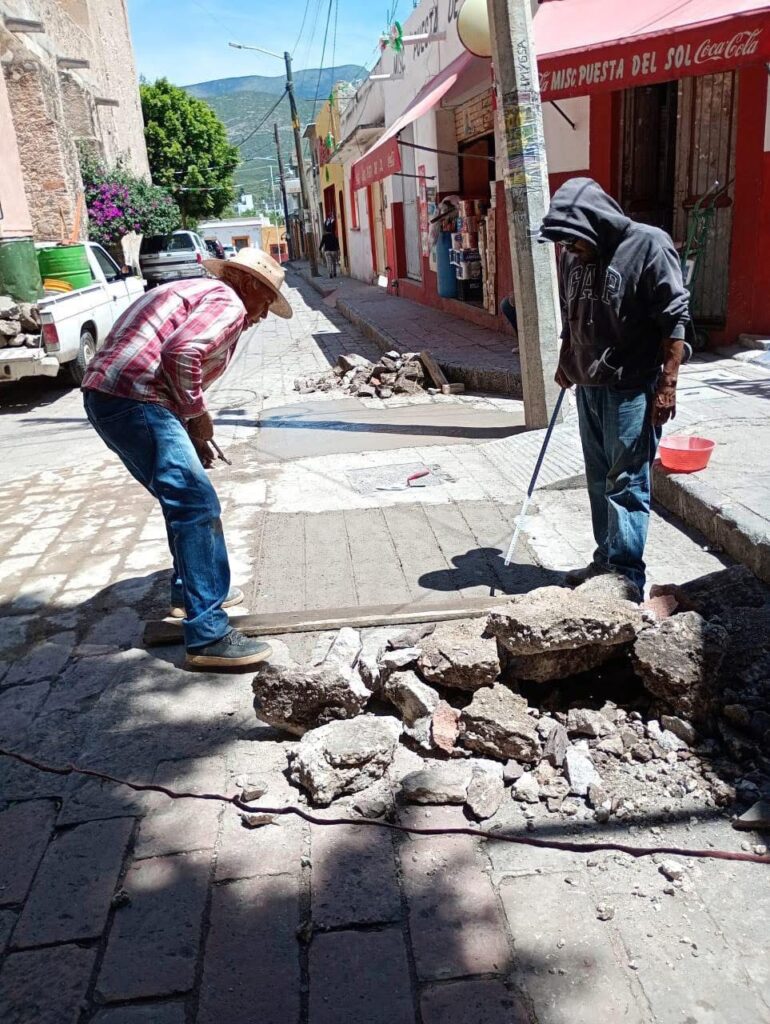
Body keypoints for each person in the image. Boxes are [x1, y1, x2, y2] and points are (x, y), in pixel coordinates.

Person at [81, 248, 293, 669]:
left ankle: (188, 594)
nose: (263, 315)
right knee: (196, 505)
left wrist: (187, 427)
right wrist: (197, 418)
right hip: (136, 399)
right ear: (248, 283)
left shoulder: (189, 290)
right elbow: (181, 353)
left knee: (181, 502)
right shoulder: (228, 301)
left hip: (112, 397)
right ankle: (209, 634)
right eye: (265, 302)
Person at [539, 177, 690, 599]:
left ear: (597, 223)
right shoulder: (573, 255)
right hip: (588, 385)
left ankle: (625, 580)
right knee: (597, 479)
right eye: (565, 243)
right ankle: (605, 561)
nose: (569, 249)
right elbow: (572, 315)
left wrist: (668, 385)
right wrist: (566, 361)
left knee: (626, 481)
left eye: (574, 241)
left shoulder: (648, 245)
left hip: (631, 388)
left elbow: (674, 318)